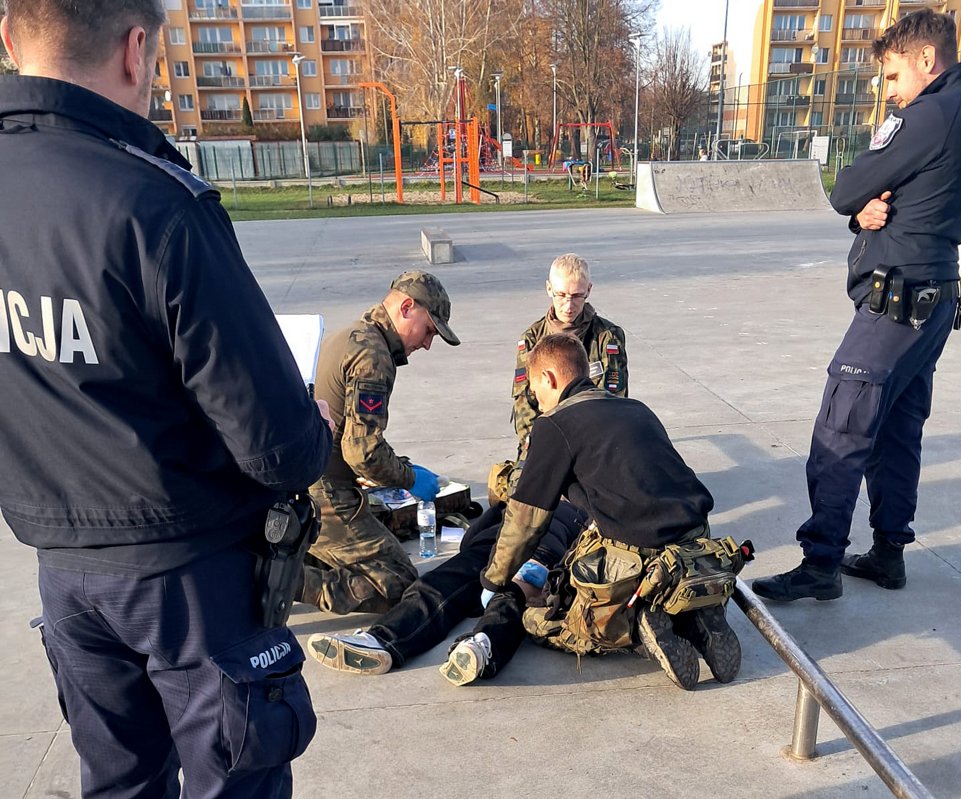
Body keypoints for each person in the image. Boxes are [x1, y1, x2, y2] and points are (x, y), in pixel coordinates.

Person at [0, 2, 335, 797]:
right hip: (188, 578)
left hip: (60, 567)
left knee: (116, 782)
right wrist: (313, 431)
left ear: (10, 38)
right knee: (234, 782)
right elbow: (275, 442)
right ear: (137, 49)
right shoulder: (158, 206)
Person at [752, 9, 961, 603]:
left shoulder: (931, 112)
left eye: (891, 77)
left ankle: (821, 561)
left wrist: (860, 207)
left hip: (899, 299)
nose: (889, 93)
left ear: (925, 61)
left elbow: (845, 188)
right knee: (898, 429)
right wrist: (870, 212)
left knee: (844, 420)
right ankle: (889, 552)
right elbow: (900, 199)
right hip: (936, 295)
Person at [482, 334, 741, 690]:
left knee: (550, 624)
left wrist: (494, 580)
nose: (535, 399)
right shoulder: (635, 407)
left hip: (638, 549)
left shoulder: (554, 424)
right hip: (697, 537)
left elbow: (525, 520)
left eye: (534, 387)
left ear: (550, 379)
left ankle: (638, 627)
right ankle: (695, 615)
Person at [299, 271, 460, 615]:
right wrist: (410, 478)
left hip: (309, 477)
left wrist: (397, 466)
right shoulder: (373, 356)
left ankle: (296, 554)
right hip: (325, 491)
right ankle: (286, 581)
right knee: (398, 580)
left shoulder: (351, 335)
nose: (427, 344)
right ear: (406, 307)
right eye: (429, 330)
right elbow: (363, 453)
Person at [305, 501, 587, 686]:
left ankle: (382, 640)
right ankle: (482, 645)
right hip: (543, 551)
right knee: (512, 596)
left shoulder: (520, 496)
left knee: (438, 585)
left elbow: (474, 531)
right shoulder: (584, 509)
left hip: (497, 546)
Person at [511, 253, 628, 457]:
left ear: (588, 290)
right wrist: (539, 445)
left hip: (593, 438)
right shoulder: (531, 339)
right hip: (547, 435)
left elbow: (612, 402)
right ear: (549, 288)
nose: (568, 306)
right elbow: (525, 406)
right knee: (519, 484)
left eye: (576, 296)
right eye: (561, 295)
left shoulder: (607, 337)